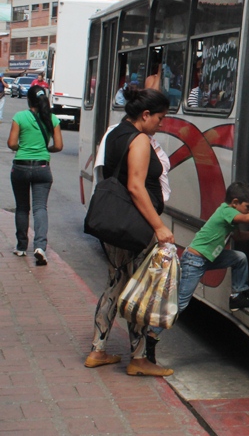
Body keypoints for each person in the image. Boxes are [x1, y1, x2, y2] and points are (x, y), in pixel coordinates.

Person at [84, 88, 175, 377]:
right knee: (139, 288)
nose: (162, 123)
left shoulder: (116, 133)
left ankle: (98, 350)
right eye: (160, 118)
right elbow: (136, 186)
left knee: (115, 283)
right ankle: (138, 358)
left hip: (117, 222)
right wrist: (159, 227)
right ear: (145, 115)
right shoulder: (139, 141)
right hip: (133, 225)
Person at [174, 182, 249, 314]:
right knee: (180, 304)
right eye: (248, 207)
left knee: (239, 258)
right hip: (195, 260)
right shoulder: (227, 211)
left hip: (208, 258)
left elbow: (238, 237)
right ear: (235, 202)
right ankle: (151, 332)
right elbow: (246, 218)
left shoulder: (231, 217)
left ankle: (237, 297)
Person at [7, 86, 63, 265]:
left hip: (21, 167)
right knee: (40, 208)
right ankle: (40, 247)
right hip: (42, 168)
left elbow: (12, 143)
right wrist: (47, 149)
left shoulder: (20, 117)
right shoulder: (52, 119)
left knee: (22, 208)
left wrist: (21, 148)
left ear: (28, 100)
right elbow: (59, 146)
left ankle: (22, 247)